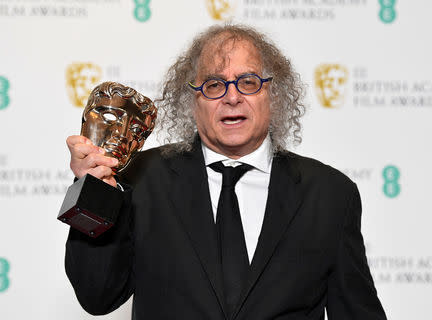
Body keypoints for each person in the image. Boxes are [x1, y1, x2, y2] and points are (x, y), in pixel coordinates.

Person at [65, 24, 387, 320]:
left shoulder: (330, 193)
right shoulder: (139, 177)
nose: (232, 97)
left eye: (248, 82)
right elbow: (97, 296)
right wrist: (94, 190)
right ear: (193, 101)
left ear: (272, 96)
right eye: (214, 84)